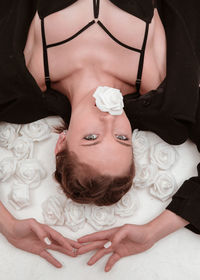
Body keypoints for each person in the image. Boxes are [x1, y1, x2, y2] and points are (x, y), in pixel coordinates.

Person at [0, 0, 200, 271]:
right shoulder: (167, 94)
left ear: (62, 143)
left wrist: (8, 225)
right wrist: (153, 231)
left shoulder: (18, 85)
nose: (110, 120)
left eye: (91, 138)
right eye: (122, 138)